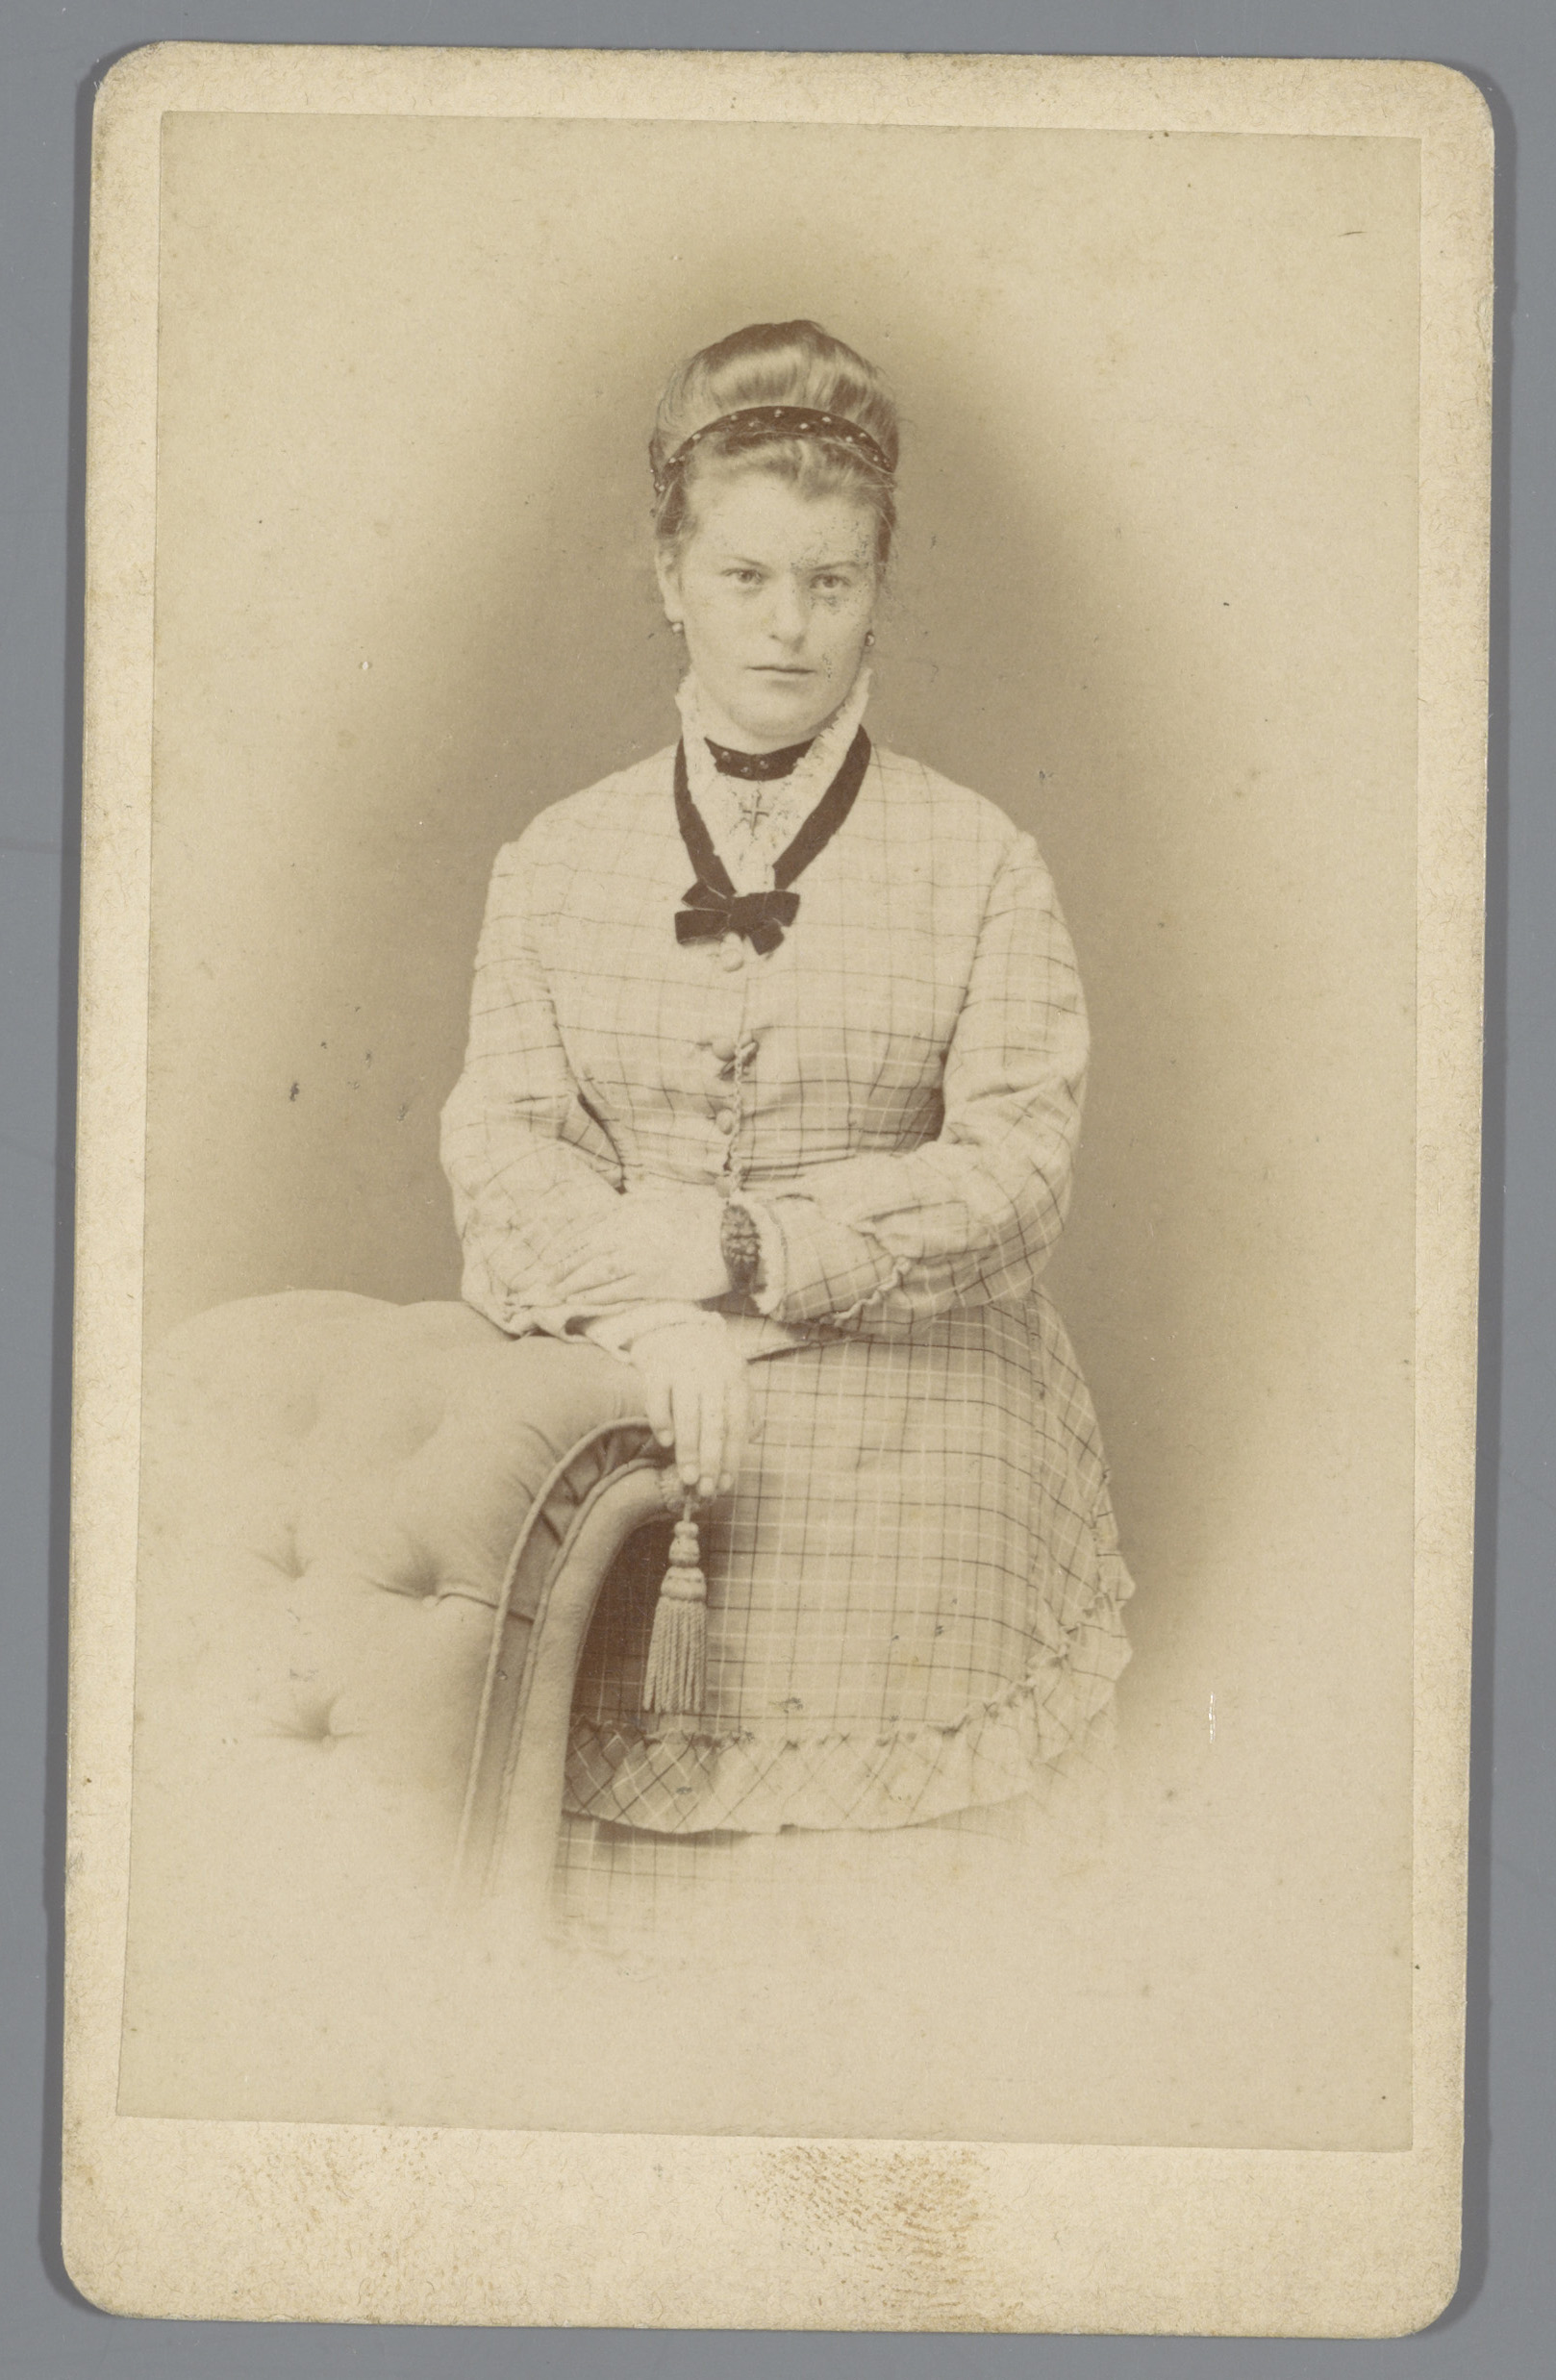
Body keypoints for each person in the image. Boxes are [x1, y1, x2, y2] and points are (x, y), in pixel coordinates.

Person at [440, 320, 1134, 1945]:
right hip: (639, 1401)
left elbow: (1016, 1173)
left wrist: (748, 1248)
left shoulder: (979, 860)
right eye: (744, 576)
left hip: (922, 1409)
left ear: (877, 584)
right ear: (668, 575)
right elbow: (505, 1147)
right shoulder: (555, 861)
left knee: (910, 1921)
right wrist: (650, 1319)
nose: (786, 625)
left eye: (829, 582)